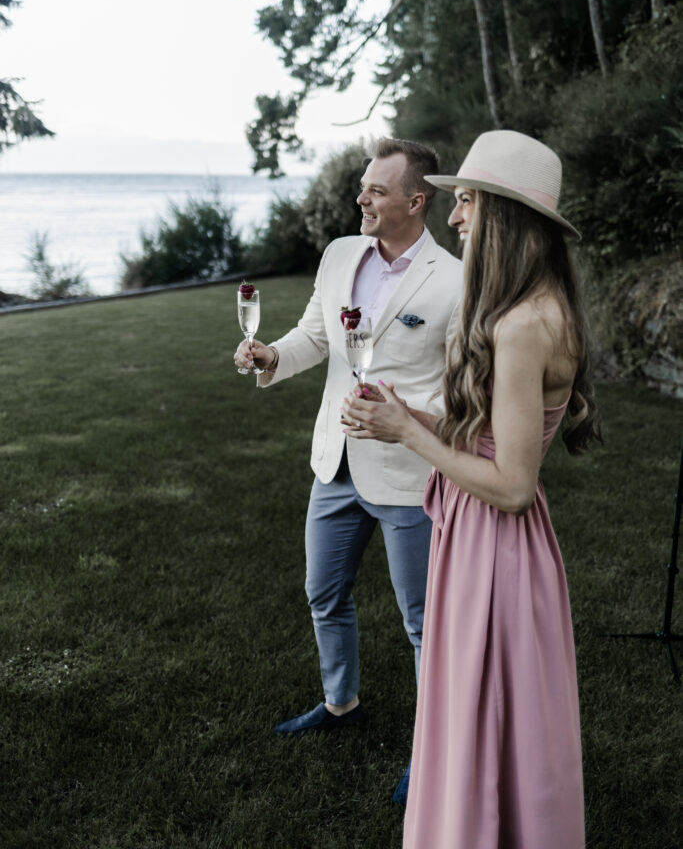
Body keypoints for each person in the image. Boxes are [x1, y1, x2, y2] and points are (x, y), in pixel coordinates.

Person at [342, 130, 600, 848]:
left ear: (503, 214)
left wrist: (408, 435)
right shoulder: (536, 304)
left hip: (495, 545)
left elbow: (514, 485)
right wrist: (416, 415)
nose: (455, 218)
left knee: (480, 717)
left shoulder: (522, 324)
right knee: (491, 722)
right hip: (484, 539)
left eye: (465, 202)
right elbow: (495, 439)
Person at [233, 138, 463, 765]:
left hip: (409, 474)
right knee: (324, 592)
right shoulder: (339, 255)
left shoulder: (456, 281)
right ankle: (341, 703)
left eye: (376, 190)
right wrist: (272, 355)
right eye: (363, 185)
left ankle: (434, 757)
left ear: (416, 201)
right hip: (334, 464)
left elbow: (467, 393)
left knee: (423, 624)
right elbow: (315, 333)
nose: (360, 197)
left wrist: (412, 419)